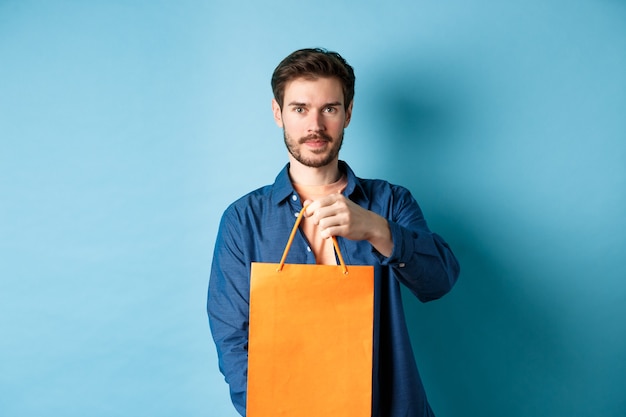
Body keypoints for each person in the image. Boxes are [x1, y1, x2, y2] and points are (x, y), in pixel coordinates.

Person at [207, 47, 460, 417]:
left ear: (348, 113)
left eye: (329, 108)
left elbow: (439, 281)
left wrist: (376, 230)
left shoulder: (389, 202)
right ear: (278, 113)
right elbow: (232, 338)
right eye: (300, 109)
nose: (315, 125)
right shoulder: (243, 220)